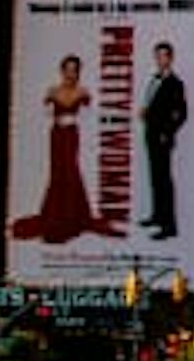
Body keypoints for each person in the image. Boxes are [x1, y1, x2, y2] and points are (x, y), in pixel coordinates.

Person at [11, 56, 118, 242]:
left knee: (70, 170)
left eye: (74, 69)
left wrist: (71, 118)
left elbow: (87, 116)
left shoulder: (82, 91)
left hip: (71, 135)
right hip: (56, 136)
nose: (70, 73)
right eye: (67, 69)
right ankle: (55, 214)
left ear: (78, 72)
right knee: (57, 171)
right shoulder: (52, 91)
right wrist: (54, 113)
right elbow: (45, 114)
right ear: (62, 71)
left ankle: (72, 217)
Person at [138, 42, 189, 239]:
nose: (159, 60)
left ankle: (170, 227)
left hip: (162, 138)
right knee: (155, 178)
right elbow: (154, 105)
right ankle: (158, 216)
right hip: (150, 134)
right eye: (157, 56)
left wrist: (167, 133)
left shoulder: (176, 83)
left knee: (164, 181)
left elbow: (181, 113)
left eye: (163, 56)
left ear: (170, 58)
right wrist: (146, 112)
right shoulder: (154, 79)